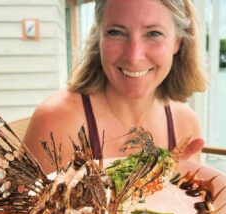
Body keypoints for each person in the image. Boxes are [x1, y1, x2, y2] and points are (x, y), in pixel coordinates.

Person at [23, 0, 207, 174]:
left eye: (154, 34)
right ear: (99, 38)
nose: (134, 56)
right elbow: (13, 207)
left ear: (177, 42)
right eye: (116, 32)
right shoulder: (56, 121)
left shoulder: (186, 123)